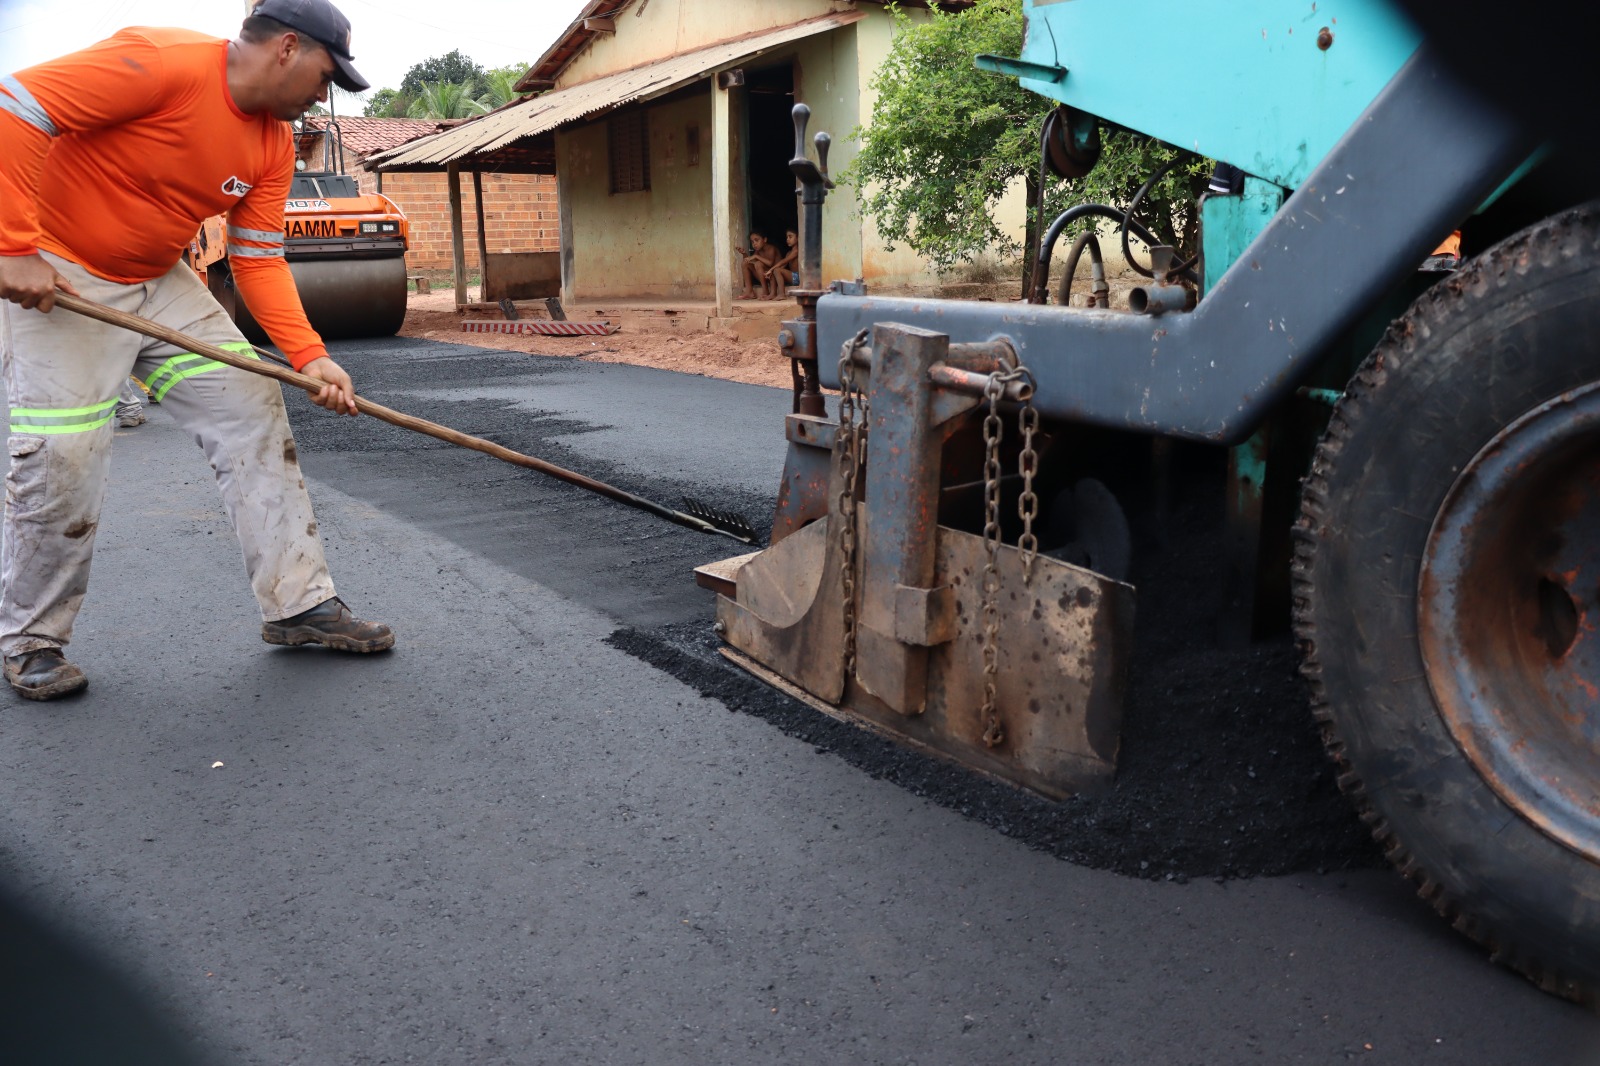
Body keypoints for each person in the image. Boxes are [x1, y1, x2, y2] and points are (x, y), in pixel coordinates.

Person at [0, 0, 394, 701]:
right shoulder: (163, 63)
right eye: (325, 76)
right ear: (287, 49)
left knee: (251, 400)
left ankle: (298, 603)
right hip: (63, 277)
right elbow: (16, 104)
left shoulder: (272, 146)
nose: (321, 97)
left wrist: (309, 357)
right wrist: (14, 247)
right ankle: (32, 639)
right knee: (62, 453)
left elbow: (258, 259)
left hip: (160, 279)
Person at [737, 232, 780, 300]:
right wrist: (744, 254)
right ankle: (749, 291)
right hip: (764, 276)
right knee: (744, 263)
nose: (754, 244)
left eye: (757, 240)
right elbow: (750, 261)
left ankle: (765, 291)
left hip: (773, 277)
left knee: (758, 264)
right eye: (752, 241)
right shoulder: (758, 251)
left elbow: (770, 263)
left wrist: (756, 256)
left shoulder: (771, 248)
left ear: (765, 240)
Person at [766, 229, 799, 300]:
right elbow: (782, 266)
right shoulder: (789, 253)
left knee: (776, 270)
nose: (787, 239)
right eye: (787, 237)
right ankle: (773, 293)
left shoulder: (797, 251)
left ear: (798, 238)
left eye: (790, 237)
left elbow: (783, 261)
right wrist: (771, 271)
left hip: (798, 277)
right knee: (775, 271)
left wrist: (771, 269)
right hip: (792, 277)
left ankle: (782, 294)